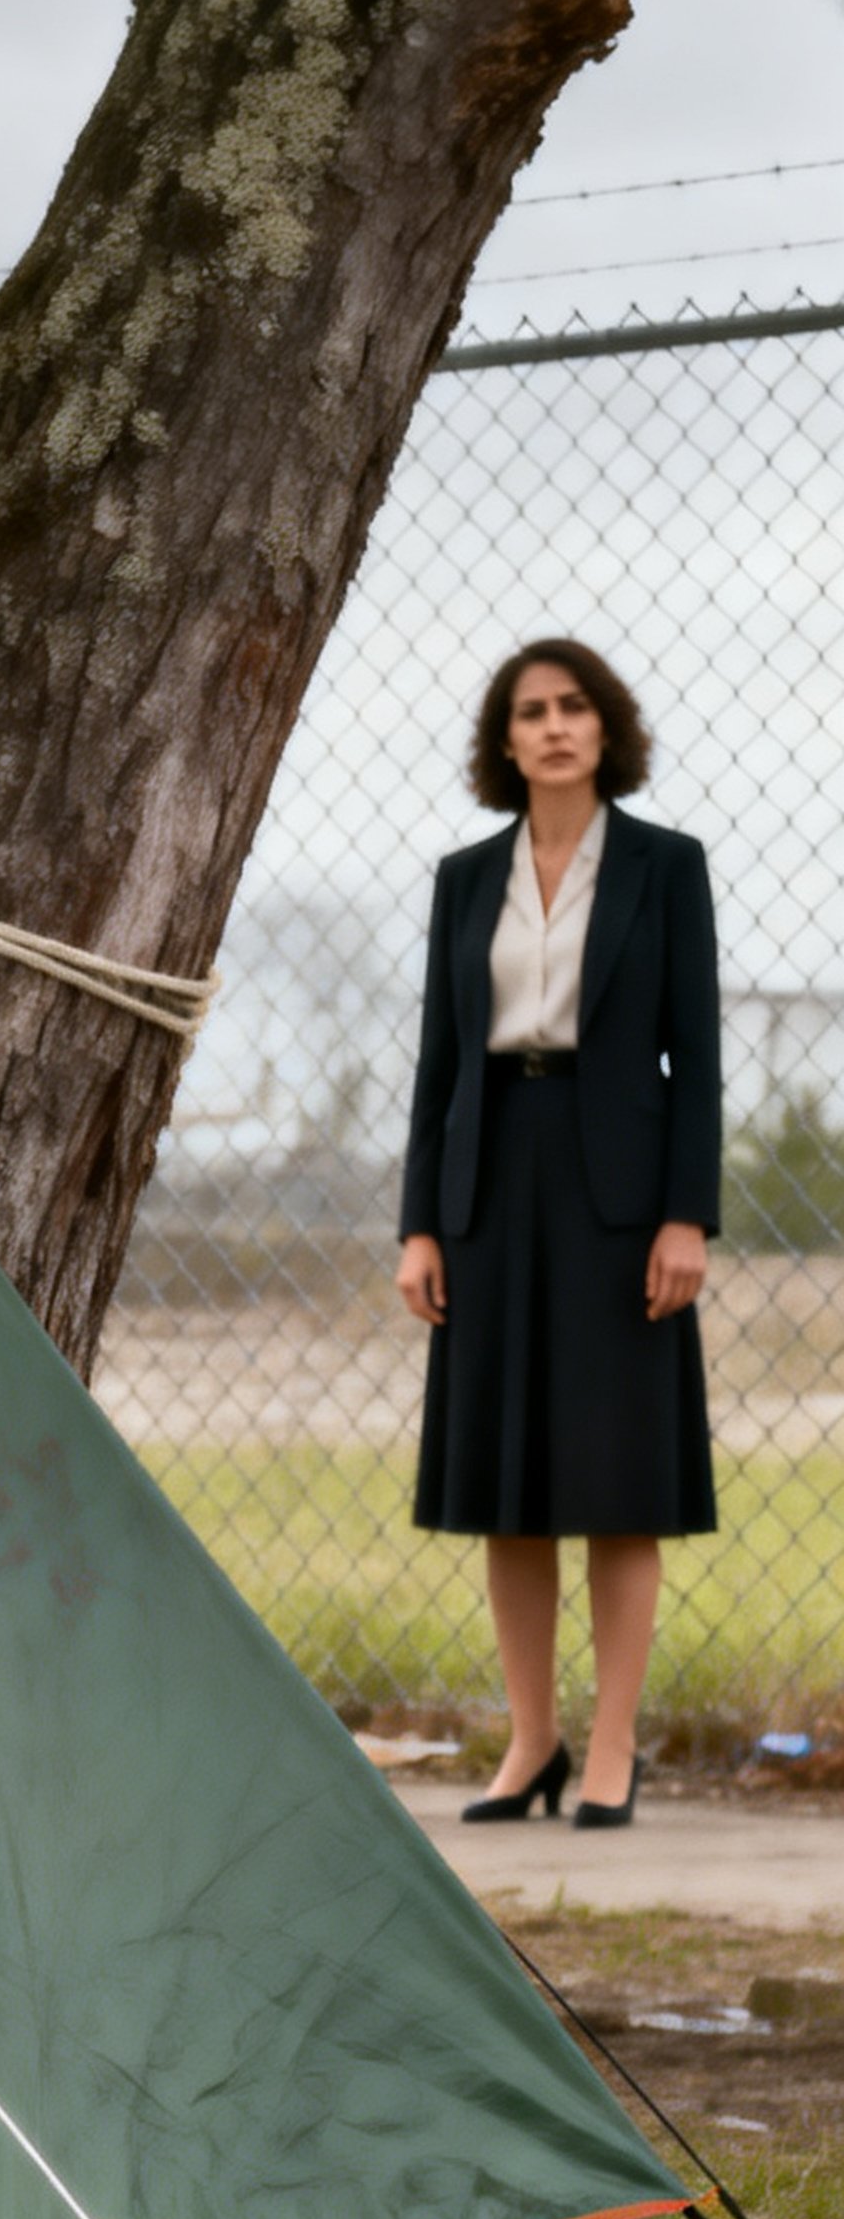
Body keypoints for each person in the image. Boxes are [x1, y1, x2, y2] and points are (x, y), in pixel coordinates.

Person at [396, 639, 719, 1829]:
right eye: (530, 711)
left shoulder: (664, 868)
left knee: (619, 1478)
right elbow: (438, 1063)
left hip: (621, 1193)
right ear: (506, 739)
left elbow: (697, 1062)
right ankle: (531, 1742)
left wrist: (687, 1212)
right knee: (507, 1482)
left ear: (604, 726)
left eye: (572, 706)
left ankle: (612, 1751)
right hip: (491, 1186)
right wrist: (420, 1224)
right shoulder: (462, 878)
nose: (553, 727)